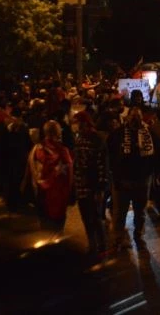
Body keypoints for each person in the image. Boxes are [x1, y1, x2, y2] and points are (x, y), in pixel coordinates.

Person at [107, 107, 160, 248]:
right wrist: (111, 173)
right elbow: (109, 154)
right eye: (132, 116)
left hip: (142, 179)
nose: (135, 119)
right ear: (127, 118)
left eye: (138, 116)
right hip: (122, 180)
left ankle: (138, 236)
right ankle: (118, 238)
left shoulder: (149, 133)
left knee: (140, 212)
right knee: (120, 212)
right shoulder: (118, 134)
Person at [72, 110, 110, 256]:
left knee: (95, 217)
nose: (76, 126)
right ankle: (92, 244)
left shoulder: (97, 139)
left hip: (93, 185)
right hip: (81, 185)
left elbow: (102, 165)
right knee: (86, 217)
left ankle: (102, 245)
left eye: (77, 123)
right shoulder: (79, 138)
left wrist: (101, 188)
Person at [27, 120, 73, 232]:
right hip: (59, 194)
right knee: (57, 226)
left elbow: (31, 168)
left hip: (41, 191)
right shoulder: (63, 151)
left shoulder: (36, 149)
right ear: (57, 133)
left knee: (45, 223)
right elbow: (69, 171)